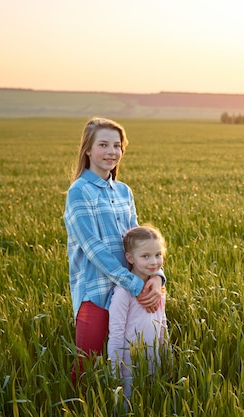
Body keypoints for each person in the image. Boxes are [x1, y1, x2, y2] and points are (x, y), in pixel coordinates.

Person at [63, 117, 165, 385]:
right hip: (95, 292)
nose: (112, 152)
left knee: (132, 359)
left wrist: (157, 277)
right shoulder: (79, 192)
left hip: (131, 292)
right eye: (103, 145)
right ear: (88, 149)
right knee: (87, 365)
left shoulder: (123, 191)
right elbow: (93, 249)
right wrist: (135, 283)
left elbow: (139, 242)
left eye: (117, 145)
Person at [107, 224, 169, 400]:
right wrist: (114, 371)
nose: (154, 262)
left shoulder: (158, 289)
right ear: (130, 258)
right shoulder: (123, 293)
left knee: (152, 402)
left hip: (154, 361)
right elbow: (116, 334)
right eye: (145, 256)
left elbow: (162, 326)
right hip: (129, 367)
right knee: (130, 405)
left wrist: (168, 360)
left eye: (158, 255)